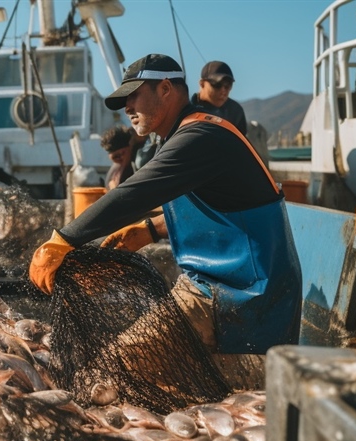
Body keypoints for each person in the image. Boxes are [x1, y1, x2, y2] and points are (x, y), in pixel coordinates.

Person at [29, 53, 301, 360]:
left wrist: (64, 239)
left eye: (133, 96)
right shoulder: (184, 133)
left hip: (246, 294)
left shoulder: (200, 135)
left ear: (165, 88)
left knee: (117, 367)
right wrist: (151, 229)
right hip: (220, 283)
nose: (127, 108)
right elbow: (217, 206)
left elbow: (135, 192)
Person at [191, 61, 247, 134]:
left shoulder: (235, 112)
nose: (223, 90)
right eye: (217, 84)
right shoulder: (186, 110)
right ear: (202, 84)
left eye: (228, 86)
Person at [100, 125, 135, 190]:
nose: (121, 157)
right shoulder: (114, 171)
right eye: (116, 157)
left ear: (130, 147)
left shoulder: (136, 165)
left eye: (123, 153)